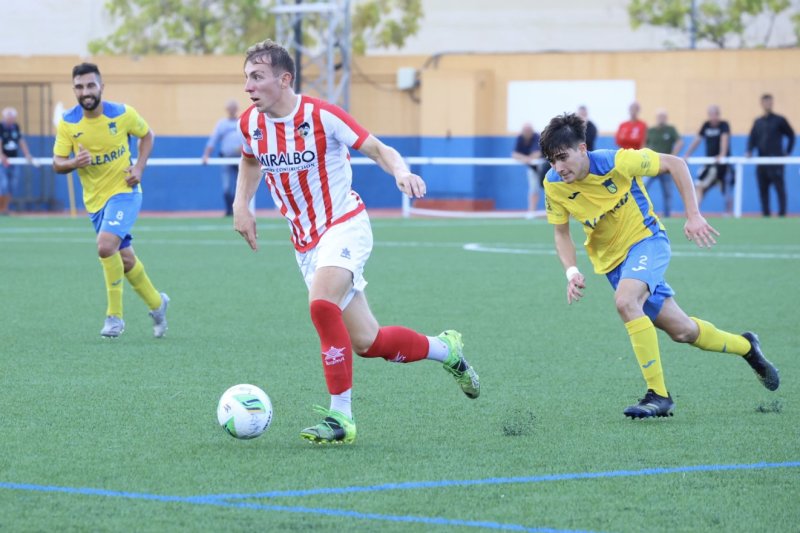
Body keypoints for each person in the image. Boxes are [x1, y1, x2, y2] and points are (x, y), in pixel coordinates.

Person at [233, 40, 480, 444]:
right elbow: (249, 159)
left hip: (344, 224)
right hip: (306, 244)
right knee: (369, 342)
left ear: (284, 79)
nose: (249, 87)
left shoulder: (321, 116)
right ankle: (445, 350)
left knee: (321, 304)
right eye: (246, 78)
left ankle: (340, 418)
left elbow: (378, 149)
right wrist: (241, 204)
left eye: (257, 77)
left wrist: (400, 172)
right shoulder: (251, 125)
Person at [539, 113, 779, 419]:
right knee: (684, 331)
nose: (558, 167)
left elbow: (675, 163)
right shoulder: (554, 184)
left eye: (563, 157)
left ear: (582, 149)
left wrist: (693, 215)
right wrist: (571, 272)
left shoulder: (618, 162)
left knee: (626, 302)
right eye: (551, 160)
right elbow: (561, 232)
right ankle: (747, 347)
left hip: (647, 242)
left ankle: (659, 395)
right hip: (615, 265)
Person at [52, 63, 169, 338]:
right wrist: (73, 162)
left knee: (105, 247)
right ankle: (157, 304)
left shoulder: (123, 114)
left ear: (101, 87)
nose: (86, 91)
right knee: (125, 259)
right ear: (74, 90)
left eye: (91, 85)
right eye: (79, 87)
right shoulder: (68, 123)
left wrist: (139, 167)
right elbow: (57, 164)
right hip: (94, 201)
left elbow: (147, 135)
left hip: (125, 192)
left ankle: (114, 318)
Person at [746, 94, 795, 217]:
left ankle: (782, 214)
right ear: (761, 104)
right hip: (761, 161)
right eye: (765, 102)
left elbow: (791, 135)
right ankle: (766, 214)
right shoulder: (758, 122)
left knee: (780, 189)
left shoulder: (779, 120)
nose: (767, 104)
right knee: (763, 189)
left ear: (772, 103)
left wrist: (787, 152)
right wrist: (749, 150)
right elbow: (752, 138)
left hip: (776, 161)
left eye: (769, 102)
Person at [682, 105, 732, 212]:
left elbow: (724, 138)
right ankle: (693, 212)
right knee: (700, 186)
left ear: (718, 115)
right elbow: (697, 140)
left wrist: (722, 154)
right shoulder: (706, 125)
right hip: (710, 165)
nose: (713, 118)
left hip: (722, 165)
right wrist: (687, 154)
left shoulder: (724, 125)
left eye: (715, 115)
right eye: (711, 115)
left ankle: (730, 213)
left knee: (727, 190)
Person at [202, 99, 242, 216]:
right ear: (227, 110)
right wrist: (206, 155)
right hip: (226, 158)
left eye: (234, 108)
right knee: (227, 186)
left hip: (242, 159)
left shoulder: (242, 122)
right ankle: (229, 210)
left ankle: (239, 210)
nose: (232, 111)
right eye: (230, 109)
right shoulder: (222, 124)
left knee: (241, 186)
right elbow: (213, 140)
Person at [644, 110, 683, 217]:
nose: (661, 118)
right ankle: (643, 212)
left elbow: (680, 142)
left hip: (666, 167)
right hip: (652, 165)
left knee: (667, 192)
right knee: (642, 187)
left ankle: (667, 215)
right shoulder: (651, 130)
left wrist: (672, 156)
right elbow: (645, 145)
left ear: (666, 118)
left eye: (663, 116)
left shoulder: (671, 130)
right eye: (659, 116)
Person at [0, 107, 39, 214]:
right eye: (9, 118)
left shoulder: (16, 127)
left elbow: (21, 141)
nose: (11, 120)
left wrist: (27, 154)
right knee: (3, 185)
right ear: (5, 117)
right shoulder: (1, 127)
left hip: (14, 161)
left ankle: (5, 209)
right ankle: (1, 208)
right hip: (2, 163)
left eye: (13, 118)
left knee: (12, 186)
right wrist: (1, 155)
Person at [512, 122, 545, 212]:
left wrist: (528, 158)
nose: (527, 132)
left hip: (544, 167)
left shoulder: (537, 137)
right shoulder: (520, 138)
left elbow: (538, 153)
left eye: (528, 130)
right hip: (532, 168)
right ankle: (532, 210)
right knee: (533, 188)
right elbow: (514, 154)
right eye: (525, 130)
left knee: (551, 187)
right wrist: (526, 159)